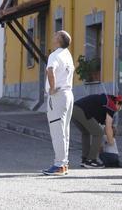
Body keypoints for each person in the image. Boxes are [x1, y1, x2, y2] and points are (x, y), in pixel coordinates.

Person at [42, 30, 74, 176]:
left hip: (58, 95)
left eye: (56, 35)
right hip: (68, 94)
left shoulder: (54, 55)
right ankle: (64, 163)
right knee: (65, 131)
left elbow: (50, 70)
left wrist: (52, 88)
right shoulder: (68, 55)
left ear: (59, 40)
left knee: (57, 131)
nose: (53, 35)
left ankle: (59, 164)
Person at [72, 93, 122, 168]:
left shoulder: (104, 103)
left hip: (73, 109)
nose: (116, 111)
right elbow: (108, 127)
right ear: (117, 103)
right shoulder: (111, 105)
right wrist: (111, 143)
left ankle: (85, 159)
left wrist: (100, 146)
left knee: (86, 132)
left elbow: (104, 127)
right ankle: (91, 160)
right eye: (119, 108)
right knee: (99, 133)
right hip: (81, 110)